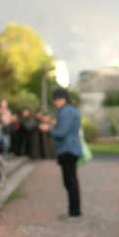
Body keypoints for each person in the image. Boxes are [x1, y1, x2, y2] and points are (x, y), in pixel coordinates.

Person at [40, 87, 82, 219]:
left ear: (59, 99)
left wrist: (48, 129)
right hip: (70, 148)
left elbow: (61, 132)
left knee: (70, 181)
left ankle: (74, 211)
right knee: (71, 181)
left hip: (67, 149)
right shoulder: (70, 110)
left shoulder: (66, 111)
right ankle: (74, 211)